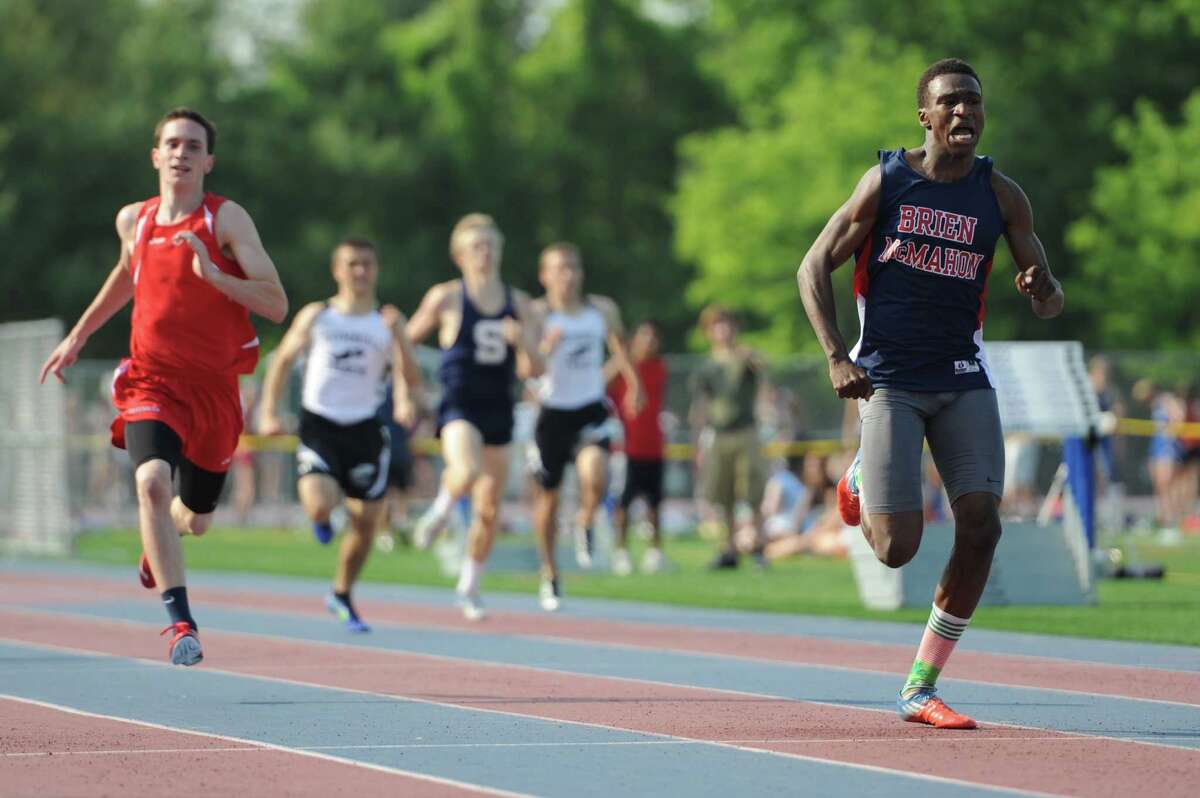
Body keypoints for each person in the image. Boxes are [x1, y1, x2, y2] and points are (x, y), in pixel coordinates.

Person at [797, 58, 1064, 729]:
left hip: (962, 378)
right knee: (896, 549)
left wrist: (1041, 291)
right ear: (924, 115)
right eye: (948, 103)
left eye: (973, 102)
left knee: (983, 525)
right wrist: (836, 356)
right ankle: (862, 472)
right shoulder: (886, 181)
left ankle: (921, 685)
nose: (963, 113)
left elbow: (1052, 298)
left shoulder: (1001, 195)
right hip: (888, 380)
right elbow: (811, 266)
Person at [39, 108, 288, 665]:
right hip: (152, 380)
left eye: (193, 146)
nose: (181, 153)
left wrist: (217, 277)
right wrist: (78, 336)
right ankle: (182, 624)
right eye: (172, 143)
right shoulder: (137, 220)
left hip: (215, 392)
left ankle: (161, 546)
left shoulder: (226, 221)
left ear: (208, 161)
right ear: (156, 156)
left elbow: (276, 303)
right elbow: (128, 275)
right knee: (151, 482)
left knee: (194, 520)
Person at [259, 238, 422, 632]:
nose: (360, 272)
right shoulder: (318, 316)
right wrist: (268, 411)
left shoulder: (386, 322)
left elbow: (409, 376)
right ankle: (322, 518)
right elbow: (281, 362)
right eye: (351, 264)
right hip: (320, 425)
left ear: (376, 269)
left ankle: (342, 592)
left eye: (366, 263)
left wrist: (404, 393)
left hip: (366, 428)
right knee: (319, 503)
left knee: (366, 521)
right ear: (337, 270)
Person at [406, 214, 540, 621]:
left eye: (490, 246)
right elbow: (403, 340)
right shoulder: (446, 298)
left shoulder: (519, 304)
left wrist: (523, 346)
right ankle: (439, 514)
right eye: (476, 247)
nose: (484, 253)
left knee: (488, 509)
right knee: (464, 470)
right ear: (460, 255)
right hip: (459, 404)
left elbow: (536, 369)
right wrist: (406, 388)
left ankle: (469, 584)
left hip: (500, 406)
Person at [528, 243, 641, 610]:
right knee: (549, 498)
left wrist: (634, 384)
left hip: (590, 407)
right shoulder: (536, 312)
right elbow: (524, 368)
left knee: (596, 474)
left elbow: (619, 348)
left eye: (574, 267)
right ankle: (549, 573)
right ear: (545, 275)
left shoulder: (601, 309)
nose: (569, 275)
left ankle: (585, 519)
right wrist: (545, 346)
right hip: (551, 413)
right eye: (560, 269)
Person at [688, 304, 769, 570]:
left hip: (746, 431)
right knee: (723, 495)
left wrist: (753, 358)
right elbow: (701, 404)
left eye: (727, 324)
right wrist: (697, 439)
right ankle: (729, 548)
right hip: (718, 434)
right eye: (716, 325)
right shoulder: (707, 366)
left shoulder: (745, 358)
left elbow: (766, 376)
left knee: (752, 491)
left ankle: (758, 546)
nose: (723, 330)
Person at [607, 320, 668, 575]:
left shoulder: (658, 368)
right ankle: (621, 552)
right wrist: (621, 357)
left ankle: (655, 552)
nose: (649, 343)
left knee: (654, 502)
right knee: (624, 502)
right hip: (627, 447)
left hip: (653, 445)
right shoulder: (623, 371)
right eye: (644, 337)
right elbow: (603, 380)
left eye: (653, 338)